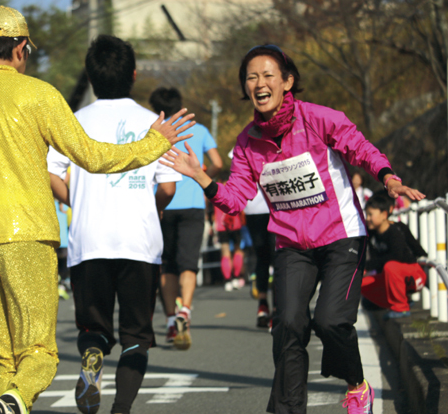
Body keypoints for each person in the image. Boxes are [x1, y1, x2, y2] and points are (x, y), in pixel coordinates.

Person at [0, 6, 194, 414]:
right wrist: (152, 144)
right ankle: (19, 398)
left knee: (1, 360)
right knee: (38, 352)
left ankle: (9, 400)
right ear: (20, 47)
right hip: (29, 236)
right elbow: (91, 157)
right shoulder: (38, 95)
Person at [161, 43, 425, 414]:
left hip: (340, 235)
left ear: (287, 81)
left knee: (330, 321)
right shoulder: (247, 142)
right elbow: (236, 199)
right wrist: (202, 177)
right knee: (285, 324)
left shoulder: (319, 118)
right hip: (291, 243)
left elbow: (358, 146)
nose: (259, 83)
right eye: (251, 77)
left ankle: (356, 384)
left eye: (268, 75)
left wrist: (387, 176)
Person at [48, 35, 182, 414]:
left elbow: (49, 174)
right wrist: (150, 205)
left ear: (91, 78)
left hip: (88, 240)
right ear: (134, 75)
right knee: (137, 335)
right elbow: (168, 187)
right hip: (139, 239)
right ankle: (121, 407)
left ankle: (93, 356)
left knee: (94, 328)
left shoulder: (73, 122)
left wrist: (79, 200)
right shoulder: (155, 124)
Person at [149, 87, 222, 350]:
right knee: (189, 263)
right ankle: (185, 313)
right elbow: (217, 162)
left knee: (166, 264)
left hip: (162, 204)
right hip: (192, 203)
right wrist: (200, 175)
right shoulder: (199, 130)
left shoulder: (154, 131)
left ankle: (170, 319)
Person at [361, 192, 427, 319]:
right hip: (393, 276)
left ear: (384, 214)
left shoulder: (395, 231)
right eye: (366, 214)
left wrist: (367, 266)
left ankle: (401, 308)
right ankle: (399, 303)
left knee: (390, 266)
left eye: (370, 214)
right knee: (362, 284)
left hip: (413, 275)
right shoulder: (372, 234)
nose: (367, 218)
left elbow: (396, 257)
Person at [244, 188, 276, 327]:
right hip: (275, 204)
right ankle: (276, 309)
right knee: (278, 259)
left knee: (262, 257)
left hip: (253, 206)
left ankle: (263, 306)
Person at [214, 171, 245, 291]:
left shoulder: (216, 188)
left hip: (221, 225)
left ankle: (228, 280)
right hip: (235, 223)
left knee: (225, 252)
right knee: (238, 250)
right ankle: (237, 277)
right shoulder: (235, 188)